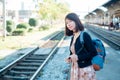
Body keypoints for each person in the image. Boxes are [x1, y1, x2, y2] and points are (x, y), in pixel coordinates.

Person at [65, 13, 97, 80]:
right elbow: (74, 52)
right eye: (67, 23)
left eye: (70, 21)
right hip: (75, 69)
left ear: (76, 21)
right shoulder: (73, 37)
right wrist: (70, 57)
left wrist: (78, 57)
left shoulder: (84, 35)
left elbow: (93, 52)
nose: (68, 24)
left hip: (85, 70)